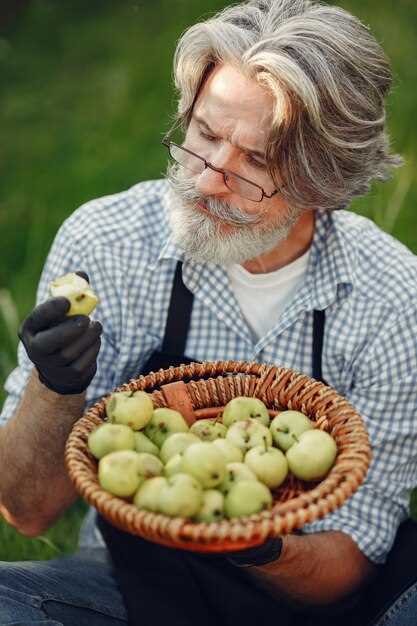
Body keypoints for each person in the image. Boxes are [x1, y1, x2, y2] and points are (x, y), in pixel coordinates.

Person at [0, 0, 416, 625]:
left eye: (256, 161)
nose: (209, 180)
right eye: (205, 135)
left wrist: (256, 543)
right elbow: (25, 511)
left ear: (323, 182)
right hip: (126, 586)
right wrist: (56, 388)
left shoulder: (390, 296)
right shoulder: (108, 245)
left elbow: (350, 567)